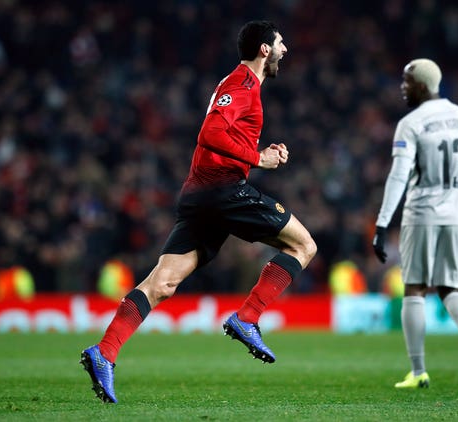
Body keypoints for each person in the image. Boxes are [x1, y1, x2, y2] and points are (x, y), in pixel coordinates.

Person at [80, 20, 317, 404]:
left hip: (200, 193)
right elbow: (209, 133)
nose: (285, 49)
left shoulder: (237, 86)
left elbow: (225, 135)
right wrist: (257, 157)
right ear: (264, 49)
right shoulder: (242, 85)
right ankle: (248, 317)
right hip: (223, 190)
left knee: (162, 284)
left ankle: (104, 351)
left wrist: (262, 154)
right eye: (280, 43)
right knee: (303, 246)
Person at [372, 58, 458, 389]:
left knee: (415, 289)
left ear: (421, 85)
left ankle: (418, 371)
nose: (402, 88)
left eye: (407, 82)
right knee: (451, 288)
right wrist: (457, 201)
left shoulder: (412, 122)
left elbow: (398, 176)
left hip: (422, 214)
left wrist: (381, 224)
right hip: (456, 215)